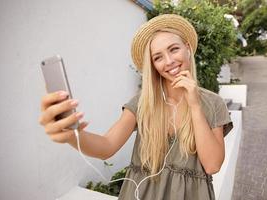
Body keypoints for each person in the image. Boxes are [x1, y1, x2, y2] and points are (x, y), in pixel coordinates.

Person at [39, 14, 233, 200]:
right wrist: (72, 136)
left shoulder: (213, 104)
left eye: (174, 49)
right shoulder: (143, 102)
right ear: (153, 65)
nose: (169, 61)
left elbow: (212, 165)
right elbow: (106, 146)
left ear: (188, 48)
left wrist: (194, 105)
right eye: (158, 57)